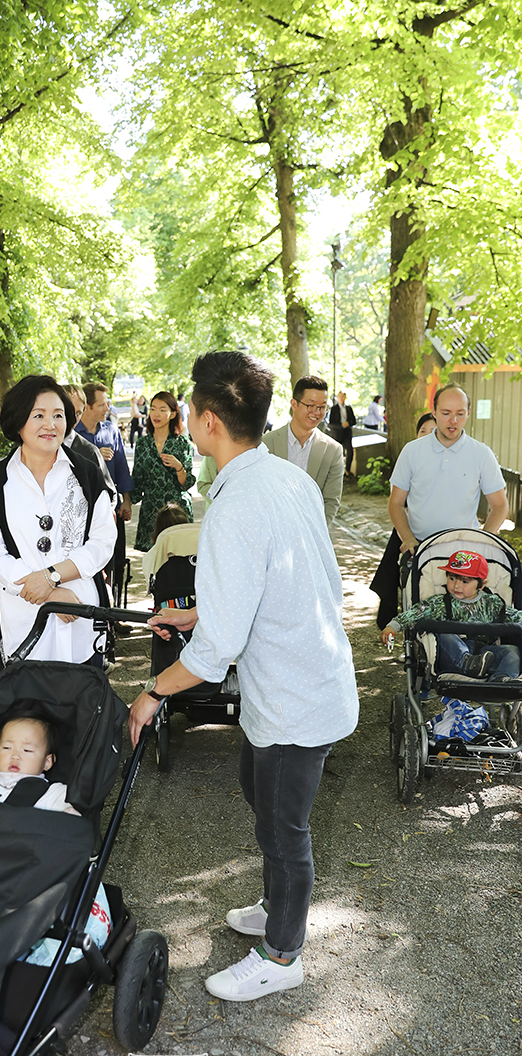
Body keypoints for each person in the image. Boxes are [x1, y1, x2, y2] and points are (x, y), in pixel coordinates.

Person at [128, 350, 358, 1003]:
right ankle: (275, 903)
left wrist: (150, 694)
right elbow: (280, 581)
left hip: (297, 695)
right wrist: (199, 607)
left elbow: (213, 653)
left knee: (286, 826)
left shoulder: (238, 505)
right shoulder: (287, 479)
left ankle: (284, 954)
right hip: (287, 684)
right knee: (259, 795)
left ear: (203, 421)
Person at [0, 375, 116, 664]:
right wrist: (48, 593)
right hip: (24, 618)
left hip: (80, 615)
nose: (50, 425)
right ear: (18, 421)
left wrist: (52, 577)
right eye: (38, 415)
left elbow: (102, 541)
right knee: (29, 707)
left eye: (58, 415)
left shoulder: (87, 473)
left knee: (81, 703)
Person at [388, 385, 508, 559]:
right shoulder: (411, 451)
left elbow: (500, 505)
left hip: (465, 552)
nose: (453, 421)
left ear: (468, 412)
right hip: (419, 549)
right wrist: (408, 539)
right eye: (446, 413)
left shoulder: (482, 454)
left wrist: (483, 540)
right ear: (434, 412)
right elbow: (395, 503)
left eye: (460, 414)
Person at [381, 550, 522, 680]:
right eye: (452, 578)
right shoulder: (439, 603)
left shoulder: (493, 604)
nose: (456, 586)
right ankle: (467, 664)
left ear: (481, 585)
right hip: (451, 655)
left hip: (484, 655)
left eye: (465, 581)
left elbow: (515, 616)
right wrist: (393, 626)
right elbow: (416, 613)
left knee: (512, 651)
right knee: (445, 632)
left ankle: (502, 679)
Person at [369, 409, 439, 629]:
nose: (427, 435)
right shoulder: (410, 456)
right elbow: (397, 501)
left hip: (442, 533)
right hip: (410, 528)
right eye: (422, 430)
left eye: (433, 431)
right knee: (396, 555)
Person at [75, 382, 133, 604]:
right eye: (102, 404)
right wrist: (94, 454)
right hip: (83, 511)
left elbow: (121, 466)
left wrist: (126, 500)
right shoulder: (72, 434)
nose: (107, 407)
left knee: (116, 561)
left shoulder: (111, 429)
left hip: (112, 509)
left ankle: (115, 612)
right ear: (88, 407)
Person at [261, 375, 343, 526]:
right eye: (310, 405)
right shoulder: (266, 444)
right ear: (294, 404)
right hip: (271, 529)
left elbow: (331, 500)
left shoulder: (333, 450)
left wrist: (315, 533)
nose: (316, 412)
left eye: (322, 407)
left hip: (311, 532)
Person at [0, 717, 79, 814]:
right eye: (7, 747)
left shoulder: (53, 794)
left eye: (27, 750)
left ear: (46, 762)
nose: (15, 756)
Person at [130, 391, 195, 551]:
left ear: (173, 414)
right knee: (153, 564)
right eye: (153, 409)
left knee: (179, 558)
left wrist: (179, 466)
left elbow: (186, 484)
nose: (156, 414)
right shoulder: (143, 443)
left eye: (162, 409)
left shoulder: (182, 443)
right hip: (151, 509)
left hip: (176, 510)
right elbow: (137, 479)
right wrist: (126, 501)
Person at [63, 386, 117, 503]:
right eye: (68, 411)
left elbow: (109, 494)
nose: (73, 418)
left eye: (78, 413)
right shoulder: (31, 448)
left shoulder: (89, 452)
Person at [329, 390, 356, 476]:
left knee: (350, 451)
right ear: (337, 398)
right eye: (340, 397)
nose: (342, 398)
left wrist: (348, 423)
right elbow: (331, 423)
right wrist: (341, 425)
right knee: (336, 452)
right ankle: (336, 470)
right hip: (337, 433)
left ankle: (347, 470)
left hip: (347, 433)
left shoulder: (348, 408)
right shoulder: (334, 409)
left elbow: (354, 421)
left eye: (343, 396)